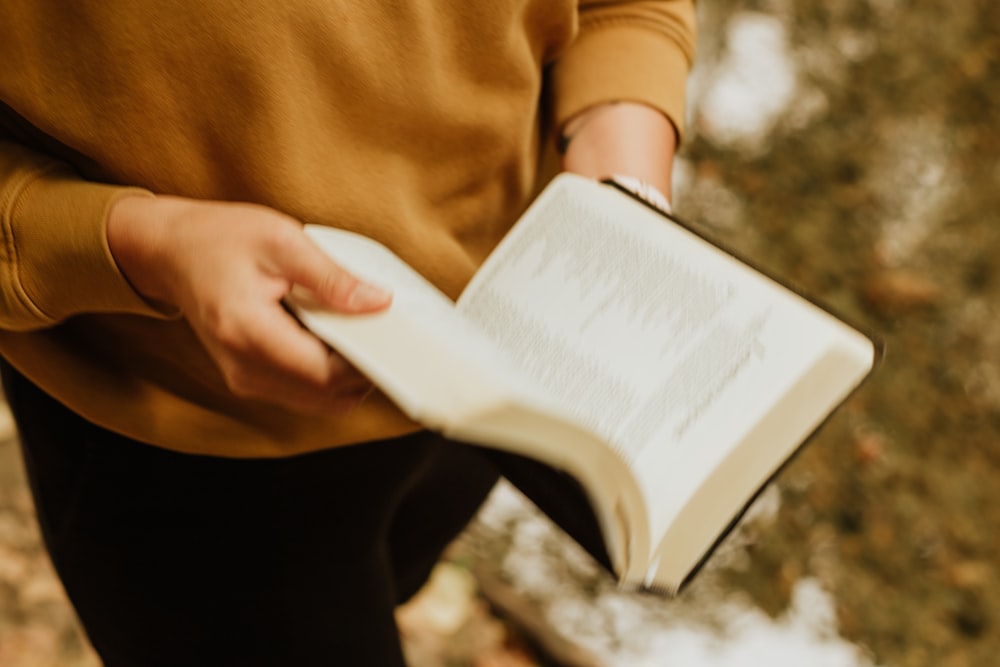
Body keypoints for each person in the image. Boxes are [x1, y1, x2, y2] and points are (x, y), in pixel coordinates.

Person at [0, 1, 696, 664]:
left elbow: (619, 8)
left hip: (498, 356)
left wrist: (625, 190)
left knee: (394, 570)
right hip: (185, 450)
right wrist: (143, 246)